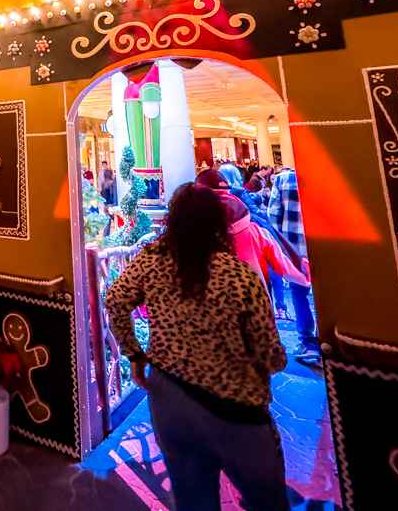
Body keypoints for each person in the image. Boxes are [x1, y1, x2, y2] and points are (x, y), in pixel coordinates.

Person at [106, 184, 288, 511]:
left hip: (170, 398)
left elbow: (115, 299)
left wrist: (133, 353)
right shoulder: (238, 276)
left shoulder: (152, 262)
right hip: (235, 408)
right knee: (267, 500)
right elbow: (271, 354)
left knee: (193, 499)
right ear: (217, 224)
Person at [197, 169, 308, 294]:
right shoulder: (253, 228)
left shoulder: (186, 232)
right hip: (252, 299)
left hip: (206, 305)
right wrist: (305, 272)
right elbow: (284, 263)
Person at [267, 167, 319, 366]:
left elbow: (273, 217)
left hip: (296, 250)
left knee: (300, 294)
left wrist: (281, 249)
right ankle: (328, 339)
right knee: (328, 295)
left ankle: (308, 342)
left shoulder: (283, 180)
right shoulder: (327, 175)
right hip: (328, 248)